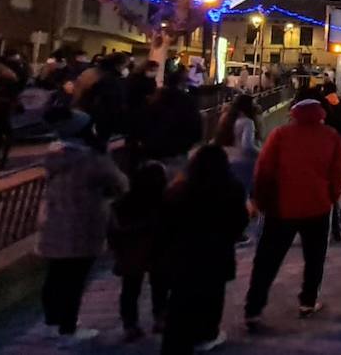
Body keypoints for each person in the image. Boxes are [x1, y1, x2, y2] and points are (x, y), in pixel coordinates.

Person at [244, 99, 341, 331]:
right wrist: (332, 196)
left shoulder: (280, 135)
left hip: (281, 208)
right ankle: (308, 302)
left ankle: (253, 309)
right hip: (318, 207)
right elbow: (338, 171)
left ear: (293, 114)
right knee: (314, 258)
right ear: (321, 115)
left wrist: (259, 199)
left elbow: (264, 169)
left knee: (267, 260)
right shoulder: (330, 136)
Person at [37, 108, 129, 344]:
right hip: (83, 224)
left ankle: (51, 322)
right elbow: (121, 184)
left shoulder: (54, 156)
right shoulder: (92, 160)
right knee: (75, 279)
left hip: (55, 222)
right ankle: (68, 328)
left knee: (56, 275)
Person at [159, 145, 249, 353]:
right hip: (217, 252)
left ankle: (175, 342)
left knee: (180, 298)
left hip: (183, 253)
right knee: (213, 295)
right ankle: (207, 334)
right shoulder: (231, 187)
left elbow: (165, 222)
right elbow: (239, 221)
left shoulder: (179, 189)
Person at [108, 161, 168, 342]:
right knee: (160, 285)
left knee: (130, 289)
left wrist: (117, 249)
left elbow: (113, 231)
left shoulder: (123, 204)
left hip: (131, 254)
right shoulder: (163, 201)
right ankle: (160, 317)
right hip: (157, 250)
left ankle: (130, 324)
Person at [216, 94, 261, 243]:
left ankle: (225, 228)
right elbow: (247, 146)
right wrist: (261, 152)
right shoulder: (247, 122)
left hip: (228, 160)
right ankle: (238, 232)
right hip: (244, 163)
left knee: (230, 197)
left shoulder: (227, 120)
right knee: (242, 197)